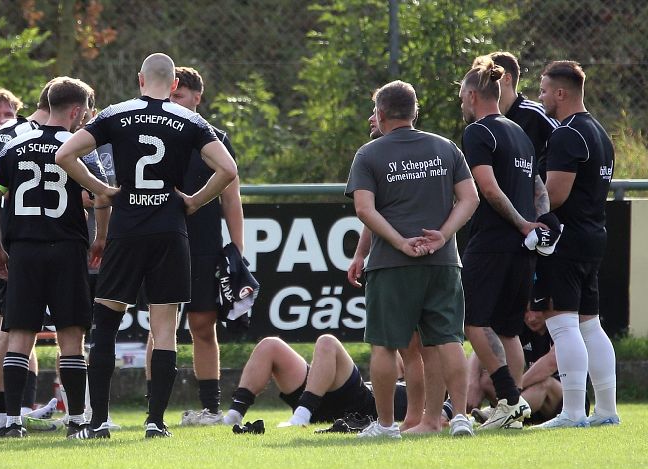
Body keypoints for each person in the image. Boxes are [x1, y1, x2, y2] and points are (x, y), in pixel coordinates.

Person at [55, 52, 238, 439]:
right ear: (174, 85)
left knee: (106, 323)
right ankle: (155, 422)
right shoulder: (190, 120)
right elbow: (228, 170)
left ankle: (98, 421)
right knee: (165, 329)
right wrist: (194, 201)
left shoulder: (115, 114)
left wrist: (103, 190)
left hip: (126, 230)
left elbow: (65, 154)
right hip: (169, 231)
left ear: (140, 79)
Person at [346, 80, 479, 439]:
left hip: (392, 265)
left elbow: (365, 210)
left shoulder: (369, 154)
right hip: (442, 261)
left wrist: (400, 243)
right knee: (448, 340)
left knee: (385, 345)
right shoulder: (446, 147)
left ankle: (386, 425)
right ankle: (460, 417)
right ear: (414, 112)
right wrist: (443, 235)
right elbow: (470, 198)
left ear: (380, 114)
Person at [0, 77, 106, 438]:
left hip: (24, 250)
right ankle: (78, 421)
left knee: (19, 336)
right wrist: (101, 239)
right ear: (75, 111)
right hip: (67, 249)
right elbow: (100, 196)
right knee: (71, 338)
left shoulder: (13, 145)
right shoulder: (79, 148)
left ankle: (11, 422)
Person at [138, 66, 244, 427]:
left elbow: (231, 198)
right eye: (171, 94)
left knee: (203, 324)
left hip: (203, 244)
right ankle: (154, 408)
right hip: (162, 240)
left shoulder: (214, 138)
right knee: (160, 325)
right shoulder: (154, 133)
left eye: (180, 95)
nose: (174, 101)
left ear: (197, 97)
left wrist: (237, 251)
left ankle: (211, 409)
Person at [458, 56, 550, 430]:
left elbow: (488, 188)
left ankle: (510, 399)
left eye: (461, 97)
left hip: (493, 242)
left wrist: (522, 223)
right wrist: (539, 225)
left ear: (473, 95)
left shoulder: (478, 132)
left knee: (473, 321)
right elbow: (539, 189)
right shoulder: (520, 133)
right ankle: (511, 411)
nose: (461, 103)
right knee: (508, 329)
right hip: (523, 248)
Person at [531, 60, 619, 428]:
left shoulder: (568, 134)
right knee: (589, 325)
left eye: (544, 91)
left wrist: (527, 214)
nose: (540, 97)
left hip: (566, 241)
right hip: (593, 235)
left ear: (561, 93)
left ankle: (572, 412)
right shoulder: (599, 132)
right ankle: (606, 411)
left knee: (563, 324)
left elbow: (555, 194)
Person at [223, 335, 408, 428]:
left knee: (327, 342)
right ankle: (233, 416)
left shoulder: (421, 399)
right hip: (323, 392)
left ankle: (301, 415)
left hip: (358, 407)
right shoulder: (402, 368)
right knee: (269, 344)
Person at [489, 51, 559, 179]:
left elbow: (566, 144)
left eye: (491, 77)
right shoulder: (487, 122)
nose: (484, 84)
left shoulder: (536, 114)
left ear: (506, 79)